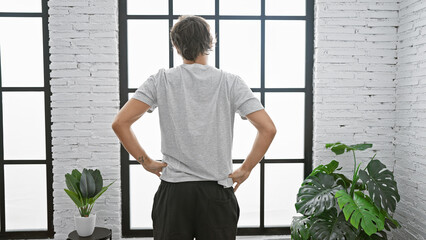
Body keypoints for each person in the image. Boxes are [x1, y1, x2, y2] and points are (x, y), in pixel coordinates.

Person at [112, 15, 276, 240]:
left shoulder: (161, 80)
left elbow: (120, 123)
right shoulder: (231, 82)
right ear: (210, 42)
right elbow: (268, 128)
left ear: (176, 46)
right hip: (217, 192)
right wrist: (246, 169)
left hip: (175, 193)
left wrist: (146, 162)